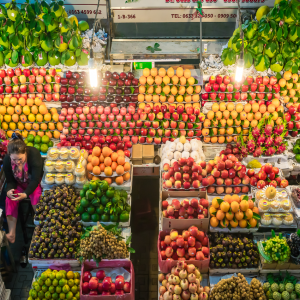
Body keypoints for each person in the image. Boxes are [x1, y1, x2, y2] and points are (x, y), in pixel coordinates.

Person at [3, 133, 43, 243]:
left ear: (25, 151)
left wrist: (25, 194)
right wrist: (9, 191)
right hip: (19, 184)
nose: (17, 162)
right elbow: (10, 181)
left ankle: (42, 227)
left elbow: (35, 180)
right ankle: (11, 234)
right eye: (14, 160)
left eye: (20, 159)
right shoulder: (7, 160)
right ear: (9, 155)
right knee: (10, 198)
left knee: (36, 196)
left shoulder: (33, 154)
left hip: (33, 184)